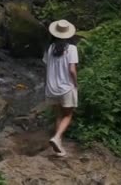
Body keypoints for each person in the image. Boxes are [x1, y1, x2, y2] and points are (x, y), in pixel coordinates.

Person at [42, 19, 78, 157]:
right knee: (68, 115)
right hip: (66, 87)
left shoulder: (49, 48)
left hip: (51, 88)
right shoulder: (71, 49)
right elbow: (72, 70)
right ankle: (57, 138)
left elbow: (47, 66)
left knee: (58, 114)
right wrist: (76, 84)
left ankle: (58, 145)